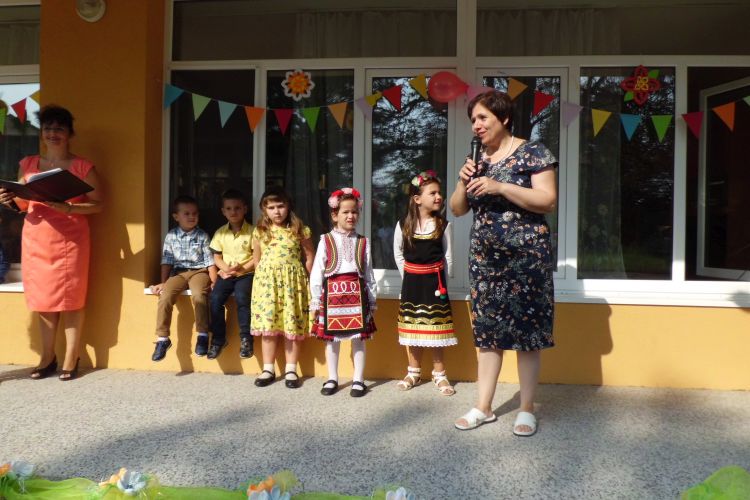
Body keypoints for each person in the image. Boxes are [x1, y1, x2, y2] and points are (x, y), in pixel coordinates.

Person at [450, 90, 557, 436]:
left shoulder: (533, 152)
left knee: (527, 334)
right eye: (473, 120)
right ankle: (484, 407)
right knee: (488, 333)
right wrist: (463, 182)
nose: (476, 125)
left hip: (527, 259)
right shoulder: (477, 159)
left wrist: (500, 187)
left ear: (504, 118)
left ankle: (526, 409)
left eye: (483, 118)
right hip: (486, 260)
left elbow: (547, 200)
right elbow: (457, 209)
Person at [0, 105, 103, 381]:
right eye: (48, 128)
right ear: (41, 133)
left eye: (59, 128)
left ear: (70, 133)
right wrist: (9, 200)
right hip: (37, 239)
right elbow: (23, 203)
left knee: (72, 299)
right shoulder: (28, 164)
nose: (52, 133)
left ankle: (71, 356)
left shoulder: (82, 167)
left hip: (71, 240)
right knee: (43, 300)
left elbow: (98, 204)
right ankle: (47, 357)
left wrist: (69, 208)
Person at [393, 170, 457, 396]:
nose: (439, 196)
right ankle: (413, 372)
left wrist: (445, 284)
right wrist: (408, 278)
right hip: (412, 284)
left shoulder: (444, 225)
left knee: (436, 329)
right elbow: (398, 254)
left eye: (440, 192)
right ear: (417, 199)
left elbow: (448, 257)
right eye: (433, 193)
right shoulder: (403, 225)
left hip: (435, 285)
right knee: (414, 328)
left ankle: (440, 374)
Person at [310, 188, 377, 397]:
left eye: (354, 212)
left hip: (357, 294)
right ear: (334, 215)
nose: (350, 216)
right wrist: (315, 300)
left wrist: (372, 300)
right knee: (332, 339)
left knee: (359, 339)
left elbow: (368, 273)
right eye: (345, 212)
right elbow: (317, 271)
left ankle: (358, 379)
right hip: (332, 296)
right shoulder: (326, 240)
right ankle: (332, 377)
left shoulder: (363, 242)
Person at [250, 187, 315, 389]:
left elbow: (310, 256)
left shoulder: (299, 230)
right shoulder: (260, 231)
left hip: (293, 285)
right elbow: (257, 259)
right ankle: (268, 369)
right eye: (271, 208)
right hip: (267, 285)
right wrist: (260, 283)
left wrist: (310, 281)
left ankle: (291, 369)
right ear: (264, 209)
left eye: (280, 206)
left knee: (291, 325)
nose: (276, 211)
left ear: (288, 206)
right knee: (269, 327)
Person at [149, 195, 217, 362]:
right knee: (165, 296)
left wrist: (214, 281)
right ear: (176, 216)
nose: (191, 216)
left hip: (199, 272)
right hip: (178, 273)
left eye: (195, 213)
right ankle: (162, 338)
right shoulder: (171, 236)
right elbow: (167, 261)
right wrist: (164, 282)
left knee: (199, 295)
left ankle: (203, 335)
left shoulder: (202, 236)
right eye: (186, 213)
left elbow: (210, 262)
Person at [207, 189, 255, 360]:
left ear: (245, 209)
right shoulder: (220, 233)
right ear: (223, 211)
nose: (233, 212)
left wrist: (242, 269)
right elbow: (217, 257)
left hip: (246, 274)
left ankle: (246, 339)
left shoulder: (253, 231)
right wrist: (226, 269)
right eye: (229, 208)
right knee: (215, 299)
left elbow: (257, 257)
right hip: (226, 274)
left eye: (237, 208)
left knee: (242, 297)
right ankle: (218, 339)